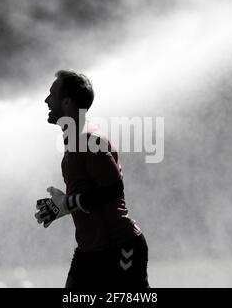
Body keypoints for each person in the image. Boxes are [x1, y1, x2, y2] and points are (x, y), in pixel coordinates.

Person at [35, 70, 149, 289]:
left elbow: (114, 188)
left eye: (52, 95)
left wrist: (67, 204)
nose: (46, 100)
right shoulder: (74, 138)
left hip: (118, 247)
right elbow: (92, 192)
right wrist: (64, 205)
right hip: (90, 250)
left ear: (67, 102)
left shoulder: (87, 139)